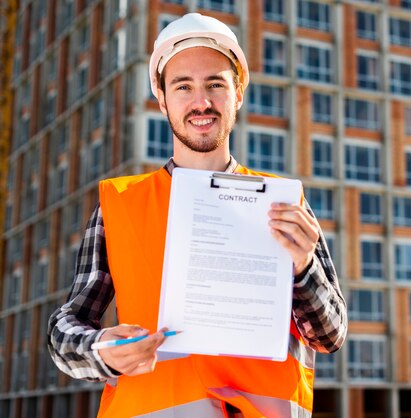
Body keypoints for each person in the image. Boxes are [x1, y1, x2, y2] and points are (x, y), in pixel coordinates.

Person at [47, 13, 347, 418]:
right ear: (162, 97)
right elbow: (64, 330)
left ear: (238, 93)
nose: (200, 102)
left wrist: (303, 265)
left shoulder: (284, 203)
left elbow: (330, 335)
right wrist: (102, 351)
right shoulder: (121, 204)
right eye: (183, 86)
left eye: (216, 85)